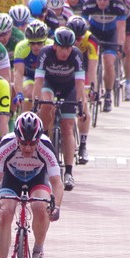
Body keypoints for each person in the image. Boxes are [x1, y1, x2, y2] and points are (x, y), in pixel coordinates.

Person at [0, 112, 63, 258]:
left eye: (32, 143)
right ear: (17, 138)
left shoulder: (46, 146)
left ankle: (38, 250)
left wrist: (56, 207)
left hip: (38, 178)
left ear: (38, 140)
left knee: (41, 206)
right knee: (4, 214)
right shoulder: (7, 144)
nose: (28, 148)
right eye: (23, 143)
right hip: (11, 179)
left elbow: (57, 183)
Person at [34, 27, 86, 191]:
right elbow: (38, 81)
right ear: (55, 46)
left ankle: (69, 172)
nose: (65, 52)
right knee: (46, 104)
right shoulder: (45, 52)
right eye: (62, 48)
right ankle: (43, 136)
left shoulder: (76, 55)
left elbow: (80, 84)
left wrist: (82, 105)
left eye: (68, 48)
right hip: (49, 84)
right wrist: (36, 102)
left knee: (67, 127)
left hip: (68, 88)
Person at [81, 0, 129, 113]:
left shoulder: (118, 6)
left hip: (110, 35)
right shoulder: (88, 5)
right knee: (90, 63)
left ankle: (108, 95)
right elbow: (82, 28)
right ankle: (91, 90)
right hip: (94, 33)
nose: (102, 2)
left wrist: (120, 46)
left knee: (108, 62)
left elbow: (121, 29)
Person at [66, 15, 98, 164]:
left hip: (83, 68)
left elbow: (92, 68)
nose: (77, 42)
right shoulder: (62, 38)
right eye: (75, 38)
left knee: (83, 105)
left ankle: (83, 145)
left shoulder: (91, 40)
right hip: (66, 68)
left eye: (80, 38)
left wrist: (91, 88)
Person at [12, 19, 52, 114]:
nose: (35, 46)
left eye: (39, 43)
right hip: (29, 76)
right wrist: (19, 93)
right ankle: (26, 118)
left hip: (47, 78)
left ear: (45, 40)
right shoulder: (21, 47)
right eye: (32, 43)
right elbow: (18, 73)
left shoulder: (52, 46)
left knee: (47, 100)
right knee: (29, 93)